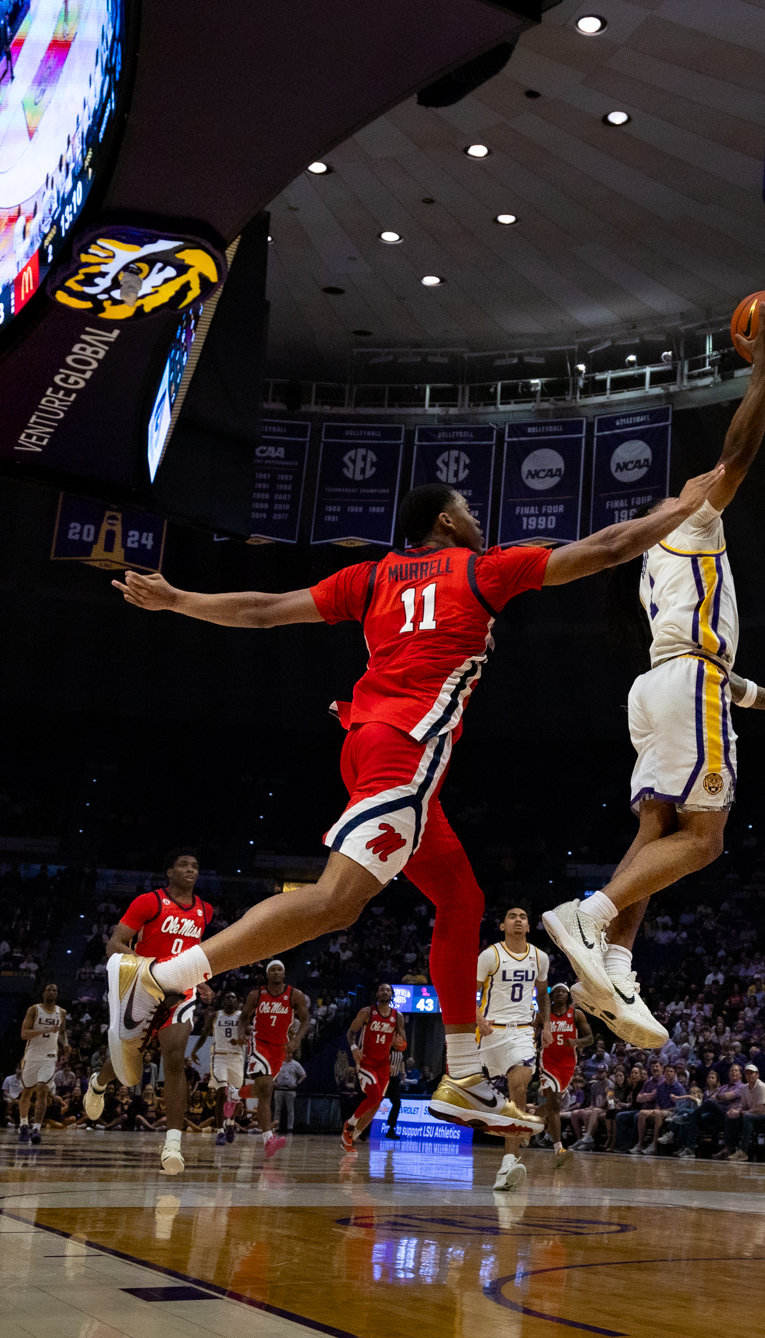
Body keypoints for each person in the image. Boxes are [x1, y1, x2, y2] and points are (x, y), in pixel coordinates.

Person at [108, 467, 725, 1134]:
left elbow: (261, 610)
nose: (480, 521)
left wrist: (178, 600)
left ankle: (462, 1073)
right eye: (471, 511)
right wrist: (684, 509)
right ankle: (161, 976)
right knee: (336, 902)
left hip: (367, 743)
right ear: (447, 523)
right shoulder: (481, 569)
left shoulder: (369, 577)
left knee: (462, 899)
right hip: (405, 750)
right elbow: (605, 548)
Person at [542, 301, 765, 1048]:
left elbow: (711, 666)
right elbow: (738, 456)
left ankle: (617, 964)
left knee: (658, 832)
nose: (696, 486)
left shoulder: (653, 565)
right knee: (706, 840)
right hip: (687, 684)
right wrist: (762, 368)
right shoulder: (689, 520)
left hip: (664, 686)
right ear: (669, 510)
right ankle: (588, 916)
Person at [81, 851, 216, 1176]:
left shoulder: (205, 910)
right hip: (143, 986)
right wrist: (153, 968)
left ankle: (172, 1144)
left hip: (181, 993)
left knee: (174, 1060)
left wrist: (203, 981)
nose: (190, 870)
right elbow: (114, 944)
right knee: (129, 1060)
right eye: (184, 865)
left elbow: (193, 953)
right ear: (169, 871)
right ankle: (99, 1084)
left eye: (195, 866)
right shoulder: (148, 902)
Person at [477, 906, 549, 1192]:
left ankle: (508, 1162)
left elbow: (542, 993)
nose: (518, 921)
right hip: (490, 1032)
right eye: (512, 917)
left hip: (521, 1031)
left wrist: (547, 1024)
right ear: (502, 925)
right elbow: (469, 989)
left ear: (529, 927)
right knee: (483, 1101)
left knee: (518, 1085)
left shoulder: (539, 957)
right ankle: (515, 1127)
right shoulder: (489, 955)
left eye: (523, 918)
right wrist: (477, 1017)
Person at [246, 961, 311, 1158]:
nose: (276, 972)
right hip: (259, 1043)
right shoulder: (256, 994)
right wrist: (243, 1030)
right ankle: (268, 1139)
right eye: (272, 970)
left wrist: (296, 1041)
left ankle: (233, 1095)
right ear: (267, 974)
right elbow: (243, 1017)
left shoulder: (294, 995)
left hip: (280, 1047)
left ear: (284, 974)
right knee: (267, 1088)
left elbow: (306, 1019)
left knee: (262, 1088)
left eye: (279, 969)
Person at [342, 983, 406, 1153]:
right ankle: (350, 1123)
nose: (385, 992)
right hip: (365, 1061)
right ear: (377, 994)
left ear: (392, 995)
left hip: (383, 1064)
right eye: (382, 989)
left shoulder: (397, 1016)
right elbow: (350, 1033)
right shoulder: (367, 1012)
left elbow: (403, 1044)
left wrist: (399, 1044)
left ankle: (350, 1139)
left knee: (376, 1104)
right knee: (375, 1096)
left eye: (388, 990)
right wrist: (354, 1049)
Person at [536, 984, 588, 1164]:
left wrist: (576, 1041)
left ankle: (528, 1123)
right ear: (552, 995)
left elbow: (590, 1038)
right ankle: (558, 1149)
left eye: (563, 991)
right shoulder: (544, 1015)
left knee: (551, 1106)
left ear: (567, 995)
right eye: (556, 991)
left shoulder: (576, 1014)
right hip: (548, 1062)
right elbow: (528, 1030)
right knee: (556, 1104)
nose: (559, 994)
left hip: (568, 1064)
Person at [16, 982, 64, 1144]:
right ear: (43, 993)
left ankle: (36, 1128)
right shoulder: (34, 1010)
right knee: (27, 1092)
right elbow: (24, 1034)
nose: (51, 992)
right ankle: (23, 1125)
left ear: (57, 994)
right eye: (49, 989)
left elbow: (62, 1032)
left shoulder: (61, 1012)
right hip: (32, 1055)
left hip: (49, 1056)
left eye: (54, 990)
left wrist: (67, 1044)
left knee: (43, 1090)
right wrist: (44, 1030)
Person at [206, 989, 248, 1144]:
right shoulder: (216, 1015)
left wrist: (243, 1039)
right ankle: (220, 1131)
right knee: (221, 1093)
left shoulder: (242, 1016)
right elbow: (204, 1033)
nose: (231, 1000)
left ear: (237, 1002)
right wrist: (195, 1050)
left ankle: (230, 1123)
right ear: (223, 1001)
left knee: (236, 1096)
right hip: (219, 1057)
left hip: (236, 1058)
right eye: (228, 997)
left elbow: (247, 1034)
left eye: (233, 997)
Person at [272, 1055, 306, 1135]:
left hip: (290, 1089)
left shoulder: (295, 1064)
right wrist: (274, 1083)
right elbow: (272, 1073)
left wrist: (297, 1083)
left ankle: (290, 1127)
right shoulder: (279, 1062)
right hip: (279, 1088)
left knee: (290, 1109)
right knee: (277, 1109)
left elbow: (303, 1075)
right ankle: (276, 1126)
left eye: (291, 1053)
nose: (289, 1055)